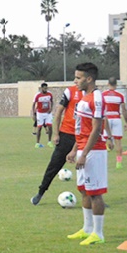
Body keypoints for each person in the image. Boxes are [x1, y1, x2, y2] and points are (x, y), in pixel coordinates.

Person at [65, 63, 110, 246]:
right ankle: (87, 229)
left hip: (94, 151)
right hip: (83, 149)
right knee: (83, 190)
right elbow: (82, 129)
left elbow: (96, 128)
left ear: (89, 79)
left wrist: (84, 153)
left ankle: (98, 234)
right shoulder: (85, 97)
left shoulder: (97, 98)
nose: (75, 81)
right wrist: (75, 149)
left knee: (95, 193)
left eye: (78, 78)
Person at [31, 72, 80, 205]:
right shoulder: (70, 92)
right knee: (54, 165)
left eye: (78, 78)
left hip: (83, 136)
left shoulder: (94, 95)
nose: (75, 81)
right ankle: (40, 192)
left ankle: (96, 197)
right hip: (67, 134)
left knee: (89, 168)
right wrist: (56, 134)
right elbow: (58, 112)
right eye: (75, 78)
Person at [101, 78, 127, 169]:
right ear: (116, 85)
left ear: (108, 84)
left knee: (103, 141)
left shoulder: (103, 95)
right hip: (116, 118)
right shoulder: (120, 96)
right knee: (118, 142)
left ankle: (103, 162)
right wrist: (126, 121)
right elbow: (124, 110)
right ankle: (119, 163)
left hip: (106, 118)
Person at [31, 82, 54, 148]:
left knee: (50, 127)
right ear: (41, 88)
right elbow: (33, 104)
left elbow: (52, 101)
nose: (45, 90)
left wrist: (51, 109)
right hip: (40, 113)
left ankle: (49, 142)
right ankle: (37, 143)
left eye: (46, 88)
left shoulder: (49, 94)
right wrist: (34, 114)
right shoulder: (37, 95)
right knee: (39, 128)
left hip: (48, 113)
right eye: (44, 88)